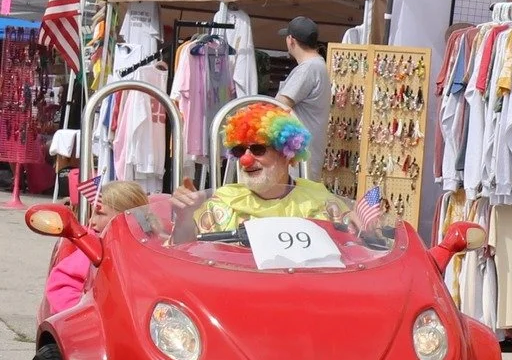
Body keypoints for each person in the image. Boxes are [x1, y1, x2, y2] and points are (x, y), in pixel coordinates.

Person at [172, 100, 347, 234]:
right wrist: (185, 219)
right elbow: (187, 253)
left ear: (286, 153)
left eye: (258, 149)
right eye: (240, 151)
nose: (246, 160)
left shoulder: (318, 204)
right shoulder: (225, 202)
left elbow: (349, 252)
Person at [44, 181, 148, 315]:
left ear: (128, 216)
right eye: (94, 212)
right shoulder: (92, 247)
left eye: (100, 214)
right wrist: (85, 313)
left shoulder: (153, 243)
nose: (91, 221)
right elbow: (61, 284)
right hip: (99, 321)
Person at [274, 18, 332, 172]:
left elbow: (279, 106)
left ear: (291, 40)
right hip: (306, 157)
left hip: (298, 160)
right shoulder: (318, 65)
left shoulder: (308, 69)